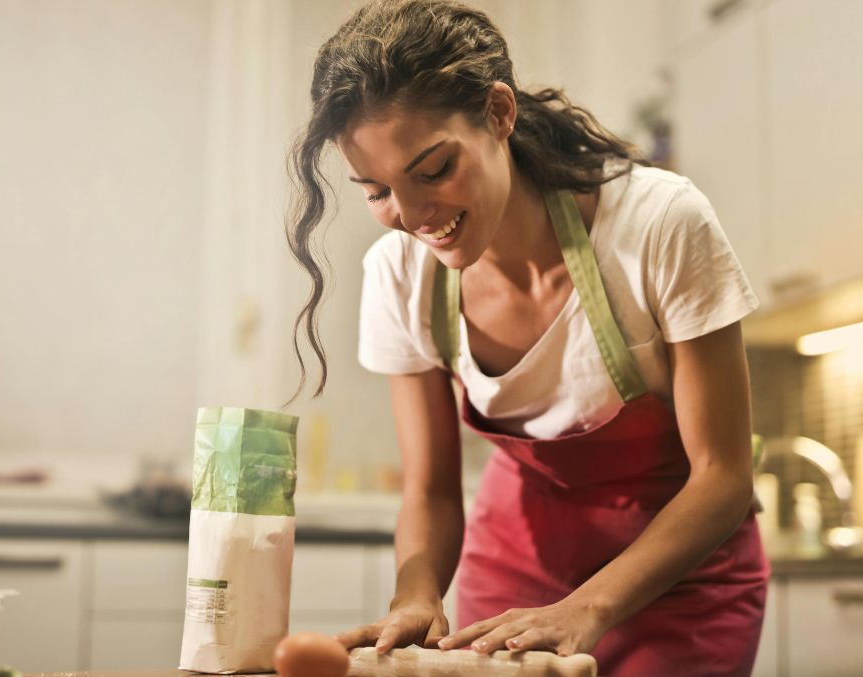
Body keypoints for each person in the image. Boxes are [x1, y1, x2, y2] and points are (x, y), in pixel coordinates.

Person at [286, 1, 768, 674]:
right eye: (377, 190)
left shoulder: (659, 226)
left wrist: (588, 607)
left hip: (680, 587)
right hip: (513, 578)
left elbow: (723, 475)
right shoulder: (399, 276)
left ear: (499, 113)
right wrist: (416, 593)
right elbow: (429, 490)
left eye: (432, 170)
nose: (413, 215)